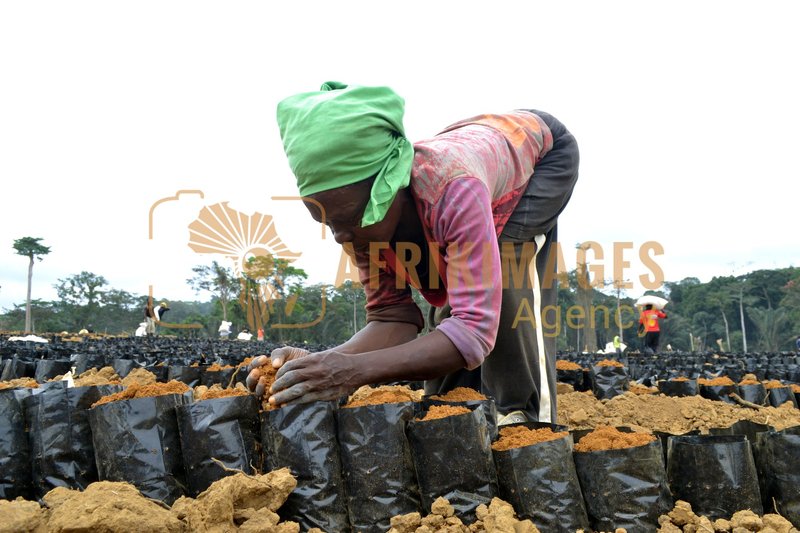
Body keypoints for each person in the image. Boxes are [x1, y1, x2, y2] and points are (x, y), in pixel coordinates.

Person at [247, 81, 579, 424]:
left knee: (505, 273)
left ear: (389, 188)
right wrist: (317, 364)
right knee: (457, 315)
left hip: (541, 157)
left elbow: (474, 330)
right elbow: (393, 319)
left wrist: (351, 372)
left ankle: (525, 416)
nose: (341, 237)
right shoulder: (358, 225)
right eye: (328, 223)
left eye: (349, 220)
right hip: (474, 153)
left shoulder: (454, 189)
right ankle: (457, 411)